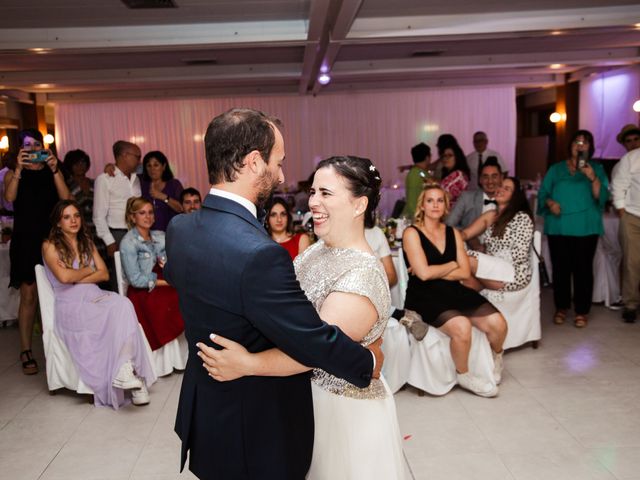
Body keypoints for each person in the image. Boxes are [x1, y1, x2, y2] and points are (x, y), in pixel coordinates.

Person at [164, 108, 381, 480]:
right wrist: (369, 363)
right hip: (256, 426)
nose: (281, 175)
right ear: (253, 162)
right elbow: (311, 339)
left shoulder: (181, 229)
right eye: (277, 162)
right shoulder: (259, 255)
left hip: (208, 410)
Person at [198, 156, 409, 479]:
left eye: (326, 193)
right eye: (312, 192)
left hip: (340, 413)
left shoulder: (361, 276)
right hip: (303, 401)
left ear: (359, 205)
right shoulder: (317, 250)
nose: (313, 202)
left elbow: (315, 351)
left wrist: (247, 364)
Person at [42, 200, 156, 407]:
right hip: (71, 304)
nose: (74, 220)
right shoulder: (49, 245)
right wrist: (87, 270)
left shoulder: (86, 242)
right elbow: (64, 279)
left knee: (123, 304)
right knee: (112, 311)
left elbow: (103, 274)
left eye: (76, 215)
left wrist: (76, 274)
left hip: (94, 295)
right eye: (67, 217)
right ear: (58, 223)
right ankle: (133, 379)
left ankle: (125, 370)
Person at [402, 184, 507, 397]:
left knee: (499, 323)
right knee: (461, 326)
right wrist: (452, 265)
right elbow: (423, 275)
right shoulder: (411, 233)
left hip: (453, 291)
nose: (435, 205)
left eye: (440, 200)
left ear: (446, 206)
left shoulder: (453, 233)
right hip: (424, 295)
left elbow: (465, 271)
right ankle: (464, 375)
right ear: (422, 205)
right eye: (430, 200)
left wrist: (436, 270)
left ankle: (497, 357)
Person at [3, 128, 71, 375]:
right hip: (25, 241)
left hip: (52, 240)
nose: (33, 149)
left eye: (36, 144)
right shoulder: (13, 173)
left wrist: (54, 169)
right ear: (20, 149)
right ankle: (25, 349)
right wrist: (19, 170)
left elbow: (66, 200)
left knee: (56, 294)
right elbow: (9, 198)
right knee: (29, 296)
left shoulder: (53, 170)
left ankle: (55, 347)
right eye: (28, 145)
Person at [537, 129, 609, 328]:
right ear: (570, 145)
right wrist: (550, 202)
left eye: (585, 143)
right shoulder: (556, 169)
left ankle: (582, 310)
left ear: (590, 147)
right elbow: (543, 194)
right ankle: (561, 307)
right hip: (558, 225)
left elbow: (601, 197)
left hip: (586, 226)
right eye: (576, 142)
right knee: (560, 269)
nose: (580, 145)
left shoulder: (597, 168)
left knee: (583, 270)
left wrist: (592, 176)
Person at [119, 197, 184, 351]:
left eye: (150, 212)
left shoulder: (160, 236)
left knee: (188, 293)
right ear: (132, 217)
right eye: (142, 213)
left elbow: (173, 261)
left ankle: (186, 350)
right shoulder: (128, 242)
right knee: (170, 300)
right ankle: (167, 353)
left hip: (164, 280)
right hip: (142, 290)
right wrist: (167, 282)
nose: (148, 217)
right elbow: (135, 279)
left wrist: (169, 267)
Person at [462, 177, 535, 296]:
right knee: (464, 284)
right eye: (500, 186)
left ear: (515, 195)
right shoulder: (492, 215)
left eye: (507, 188)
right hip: (494, 267)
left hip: (513, 273)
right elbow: (465, 234)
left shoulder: (522, 217)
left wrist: (490, 261)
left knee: (466, 259)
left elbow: (520, 256)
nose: (500, 189)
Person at [93, 140, 141, 291]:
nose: (140, 160)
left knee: (136, 278)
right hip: (117, 234)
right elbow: (98, 215)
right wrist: (109, 241)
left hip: (136, 233)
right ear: (124, 155)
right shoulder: (105, 179)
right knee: (120, 281)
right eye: (137, 156)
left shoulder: (136, 178)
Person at [446, 159, 503, 251]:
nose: (490, 181)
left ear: (501, 178)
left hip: (498, 253)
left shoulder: (508, 202)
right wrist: (470, 236)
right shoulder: (466, 197)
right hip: (469, 252)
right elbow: (448, 225)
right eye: (485, 177)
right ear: (480, 179)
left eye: (494, 176)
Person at [611, 148, 640, 322]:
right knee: (632, 262)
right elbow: (619, 184)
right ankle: (630, 304)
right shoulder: (632, 157)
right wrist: (621, 210)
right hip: (632, 217)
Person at [140, 150, 183, 230]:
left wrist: (163, 197)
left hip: (172, 232)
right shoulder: (142, 184)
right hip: (148, 234)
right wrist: (110, 167)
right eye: (149, 166)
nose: (152, 169)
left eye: (156, 165)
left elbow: (181, 208)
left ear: (163, 166)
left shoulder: (174, 184)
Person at [401, 143, 431, 218]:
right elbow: (412, 202)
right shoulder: (416, 173)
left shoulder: (419, 172)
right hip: (414, 217)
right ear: (427, 158)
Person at [439, 142, 470, 207]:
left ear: (457, 157)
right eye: (444, 156)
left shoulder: (459, 175)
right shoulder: (449, 174)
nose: (446, 158)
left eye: (449, 155)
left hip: (453, 215)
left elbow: (446, 197)